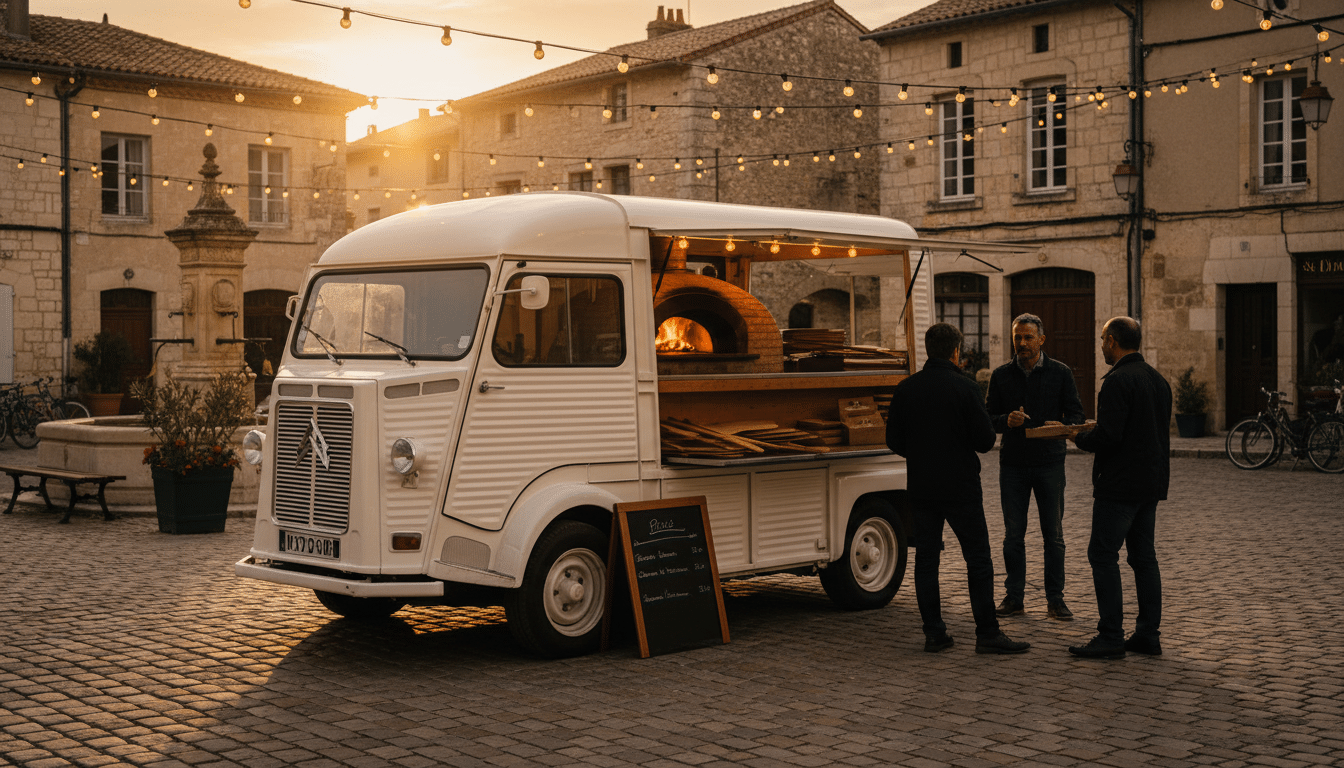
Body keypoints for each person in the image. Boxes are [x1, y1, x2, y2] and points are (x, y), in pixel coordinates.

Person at [886, 323, 1031, 655]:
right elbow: (985, 440)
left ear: (928, 350)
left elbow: (893, 440)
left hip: (922, 485)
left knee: (926, 560)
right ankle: (987, 632)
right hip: (961, 486)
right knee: (977, 558)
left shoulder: (906, 388)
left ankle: (934, 633)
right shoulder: (966, 388)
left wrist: (921, 454)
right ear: (955, 352)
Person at [1068, 317, 1171, 659]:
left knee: (1102, 555)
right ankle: (1147, 635)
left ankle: (1111, 635)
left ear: (1112, 341)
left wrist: (1078, 436)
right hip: (1150, 483)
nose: (1101, 346)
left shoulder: (1116, 381)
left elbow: (1109, 437)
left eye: (1102, 340)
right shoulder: (1157, 380)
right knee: (1144, 559)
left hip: (1119, 486)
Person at [986, 314, 1085, 621]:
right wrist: (1006, 420)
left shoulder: (1060, 373)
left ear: (1041, 340)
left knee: (1053, 536)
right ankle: (1014, 598)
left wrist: (1061, 426)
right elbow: (987, 419)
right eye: (1017, 337)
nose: (1022, 343)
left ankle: (1056, 599)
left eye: (1028, 337)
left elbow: (1076, 416)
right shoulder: (1001, 375)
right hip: (1013, 465)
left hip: (1049, 464)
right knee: (1013, 536)